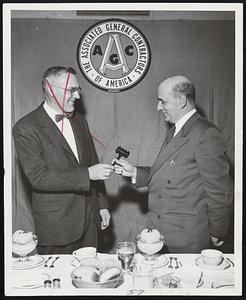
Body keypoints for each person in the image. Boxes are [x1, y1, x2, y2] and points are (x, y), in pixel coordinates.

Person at [113, 75, 233, 253]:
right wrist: (134, 172)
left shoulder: (205, 134)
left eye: (163, 102)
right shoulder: (177, 129)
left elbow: (220, 190)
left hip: (185, 238)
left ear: (181, 100)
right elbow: (170, 174)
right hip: (160, 231)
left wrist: (217, 231)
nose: (158, 107)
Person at [12, 66, 114, 255]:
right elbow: (38, 177)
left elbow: (92, 161)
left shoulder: (80, 120)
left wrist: (102, 205)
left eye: (78, 90)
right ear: (50, 89)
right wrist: (87, 174)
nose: (77, 96)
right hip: (57, 228)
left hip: (90, 222)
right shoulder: (25, 127)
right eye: (71, 90)